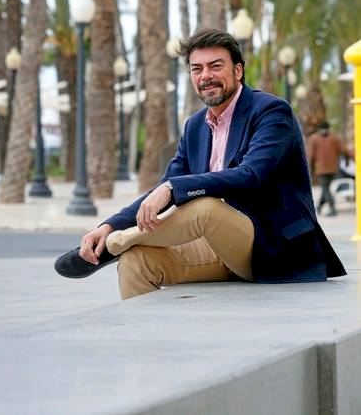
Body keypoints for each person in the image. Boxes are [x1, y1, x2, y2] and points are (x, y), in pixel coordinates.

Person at [54, 28, 346, 300]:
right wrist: (109, 225)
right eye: (197, 69)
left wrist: (172, 188)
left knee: (205, 208)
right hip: (216, 246)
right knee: (136, 261)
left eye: (215, 66)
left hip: (273, 247)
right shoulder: (195, 126)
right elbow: (164, 188)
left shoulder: (271, 112)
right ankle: (144, 333)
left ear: (238, 70)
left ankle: (115, 245)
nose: (206, 76)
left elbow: (251, 175)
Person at [307, 122, 347, 216]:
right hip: (333, 168)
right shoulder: (335, 138)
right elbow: (344, 150)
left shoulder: (314, 139)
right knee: (325, 187)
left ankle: (332, 207)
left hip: (321, 169)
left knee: (325, 188)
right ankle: (319, 206)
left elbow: (311, 156)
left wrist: (310, 169)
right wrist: (347, 160)